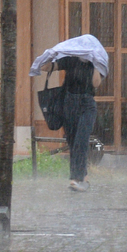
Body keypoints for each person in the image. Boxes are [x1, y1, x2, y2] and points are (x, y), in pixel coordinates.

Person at [41, 56, 103, 192]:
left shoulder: (96, 62)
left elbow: (96, 83)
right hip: (68, 103)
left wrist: (96, 64)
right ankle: (84, 177)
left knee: (81, 139)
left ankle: (75, 179)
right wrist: (50, 57)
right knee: (73, 141)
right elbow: (46, 68)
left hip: (87, 105)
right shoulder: (71, 59)